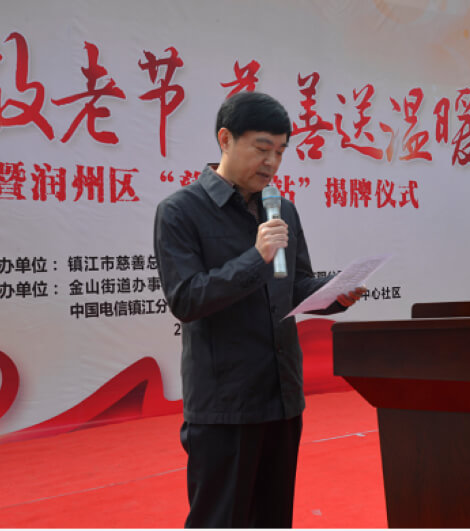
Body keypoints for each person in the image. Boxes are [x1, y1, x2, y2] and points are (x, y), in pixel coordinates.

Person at [153, 91, 364, 528]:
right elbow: (186, 299)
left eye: (281, 152)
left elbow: (294, 285)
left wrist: (335, 293)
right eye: (262, 148)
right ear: (225, 139)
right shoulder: (180, 212)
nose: (272, 163)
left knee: (273, 517)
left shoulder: (281, 209)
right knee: (220, 519)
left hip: (281, 395)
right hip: (225, 401)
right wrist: (256, 257)